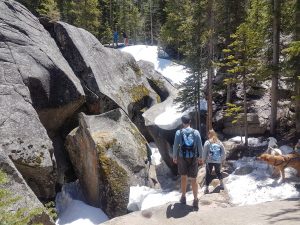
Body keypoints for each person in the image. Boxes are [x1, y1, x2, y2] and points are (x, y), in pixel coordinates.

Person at [173, 115, 203, 208]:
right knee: (194, 179)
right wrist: (200, 157)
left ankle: (183, 197)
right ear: (190, 122)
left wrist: (174, 156)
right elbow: (199, 145)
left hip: (182, 157)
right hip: (193, 157)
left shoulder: (179, 132)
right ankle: (195, 199)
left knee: (183, 177)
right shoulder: (196, 132)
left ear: (182, 122)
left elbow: (175, 145)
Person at [202, 129, 226, 194]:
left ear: (210, 134)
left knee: (208, 173)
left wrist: (203, 159)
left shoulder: (207, 142)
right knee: (218, 172)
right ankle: (221, 184)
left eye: (208, 134)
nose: (208, 135)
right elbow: (223, 152)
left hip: (209, 161)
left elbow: (204, 152)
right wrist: (222, 159)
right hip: (217, 160)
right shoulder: (219, 142)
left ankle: (206, 188)